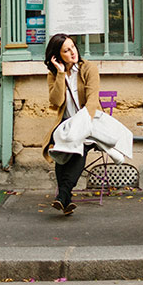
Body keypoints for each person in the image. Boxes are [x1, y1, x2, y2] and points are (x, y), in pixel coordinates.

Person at [43, 33, 100, 215]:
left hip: (88, 122)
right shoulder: (54, 74)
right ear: (57, 56)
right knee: (61, 150)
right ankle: (65, 200)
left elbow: (92, 99)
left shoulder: (88, 68)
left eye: (73, 47)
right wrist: (61, 74)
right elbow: (56, 101)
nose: (73, 52)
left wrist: (81, 125)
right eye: (66, 51)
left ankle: (62, 195)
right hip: (66, 124)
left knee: (78, 147)